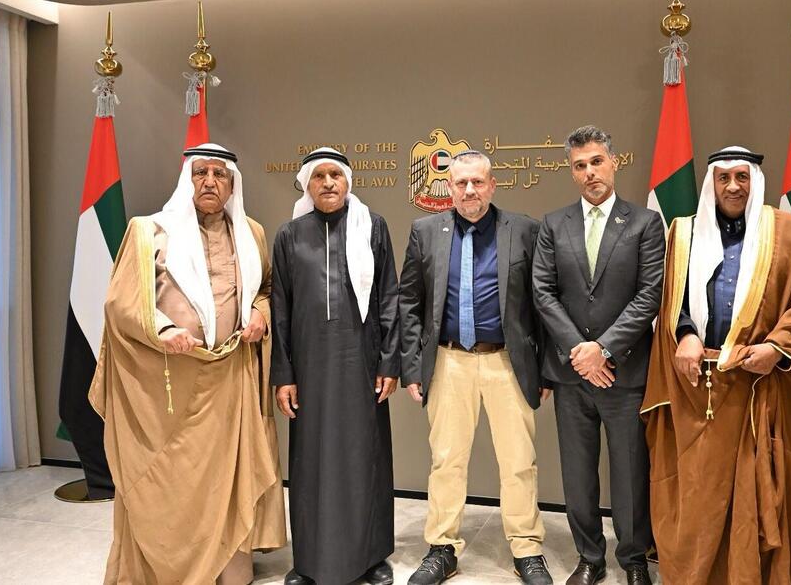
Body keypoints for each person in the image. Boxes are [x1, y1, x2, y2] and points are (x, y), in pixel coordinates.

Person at [89, 143, 286, 584]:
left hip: (231, 378)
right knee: (173, 483)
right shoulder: (149, 231)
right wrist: (160, 330)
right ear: (187, 180)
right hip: (170, 386)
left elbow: (266, 290)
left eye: (220, 175)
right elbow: (120, 302)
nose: (210, 182)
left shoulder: (251, 233)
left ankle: (228, 567)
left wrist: (260, 314)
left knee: (227, 481)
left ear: (233, 184)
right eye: (201, 173)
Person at [641, 147, 791, 584]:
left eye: (741, 177)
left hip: (761, 385)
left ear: (755, 180)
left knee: (760, 494)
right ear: (711, 183)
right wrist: (684, 334)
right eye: (723, 178)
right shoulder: (682, 234)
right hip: (697, 385)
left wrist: (777, 348)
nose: (733, 186)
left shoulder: (790, 232)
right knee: (700, 492)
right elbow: (670, 298)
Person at [399, 150, 553, 585]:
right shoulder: (425, 231)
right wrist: (413, 367)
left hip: (507, 361)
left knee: (519, 460)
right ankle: (442, 548)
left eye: (478, 182)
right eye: (461, 183)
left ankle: (527, 549)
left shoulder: (523, 230)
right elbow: (408, 301)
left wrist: (543, 370)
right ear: (448, 187)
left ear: (492, 185)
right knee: (446, 460)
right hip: (447, 361)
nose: (469, 191)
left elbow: (542, 304)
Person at [532, 126, 664, 585]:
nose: (590, 172)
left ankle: (632, 560)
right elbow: (544, 294)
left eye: (597, 161)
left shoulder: (646, 223)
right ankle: (589, 557)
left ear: (614, 162)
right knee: (578, 475)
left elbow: (649, 296)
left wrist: (603, 349)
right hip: (572, 376)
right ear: (572, 172)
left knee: (630, 474)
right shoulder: (553, 224)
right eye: (580, 165)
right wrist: (580, 352)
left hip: (624, 372)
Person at [271, 147, 401, 585]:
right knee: (311, 464)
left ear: (348, 182)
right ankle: (308, 561)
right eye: (320, 177)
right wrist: (284, 374)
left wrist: (389, 361)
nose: (329, 183)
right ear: (307, 185)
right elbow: (281, 310)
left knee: (364, 458)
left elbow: (389, 298)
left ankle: (370, 557)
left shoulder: (373, 227)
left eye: (336, 176)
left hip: (362, 365)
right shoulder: (290, 236)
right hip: (309, 370)